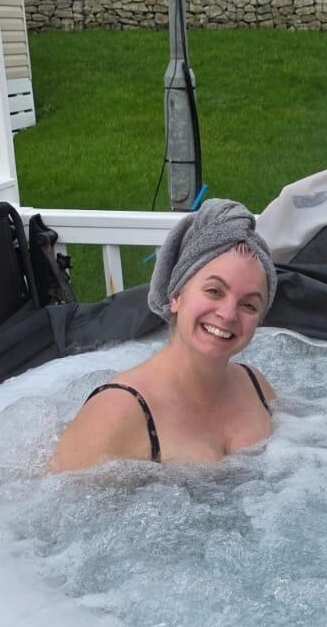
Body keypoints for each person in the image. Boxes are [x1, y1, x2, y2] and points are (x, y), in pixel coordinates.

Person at [49, 199, 278, 472]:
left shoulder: (257, 388)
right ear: (176, 295)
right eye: (214, 291)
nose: (229, 314)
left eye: (249, 305)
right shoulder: (117, 413)